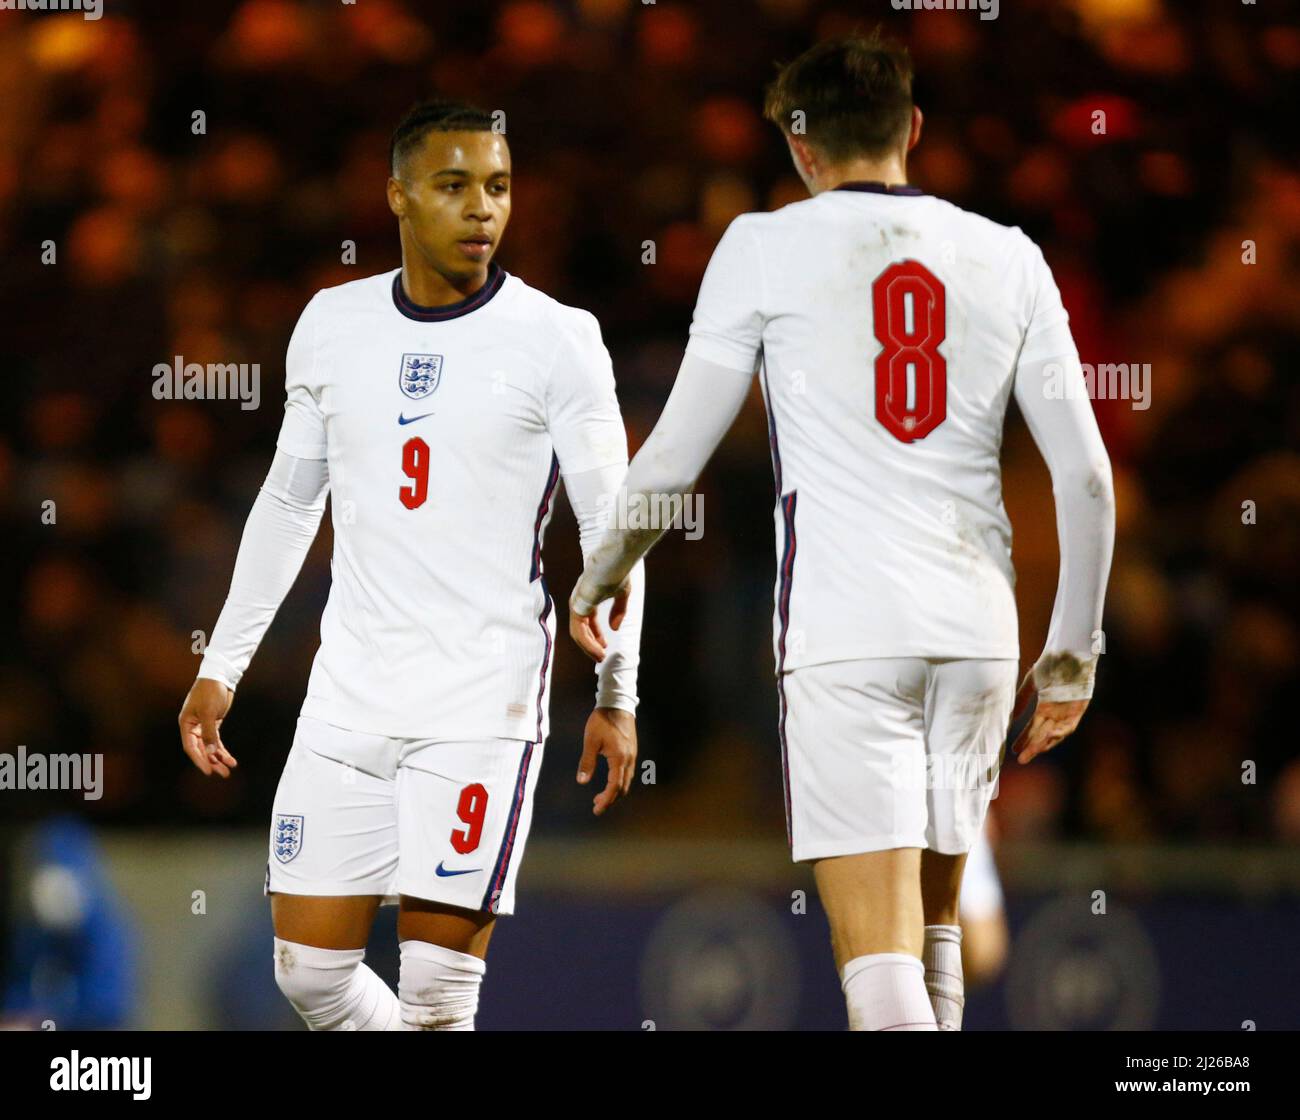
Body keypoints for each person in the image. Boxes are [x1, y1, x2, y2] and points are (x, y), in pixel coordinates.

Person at [569, 32, 1113, 1031]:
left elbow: (675, 453)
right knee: (934, 935)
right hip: (980, 630)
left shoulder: (761, 245)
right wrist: (1070, 657)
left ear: (798, 147)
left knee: (875, 954)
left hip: (847, 630)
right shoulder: (1009, 255)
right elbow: (1084, 474)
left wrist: (600, 569)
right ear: (912, 128)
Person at [178, 99, 643, 1031]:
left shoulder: (557, 337)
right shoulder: (330, 323)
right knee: (308, 976)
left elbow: (615, 531)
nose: (483, 209)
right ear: (397, 196)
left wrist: (618, 694)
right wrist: (219, 667)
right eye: (456, 185)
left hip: (482, 700)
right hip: (349, 692)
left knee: (438, 999)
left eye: (500, 187)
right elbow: (287, 502)